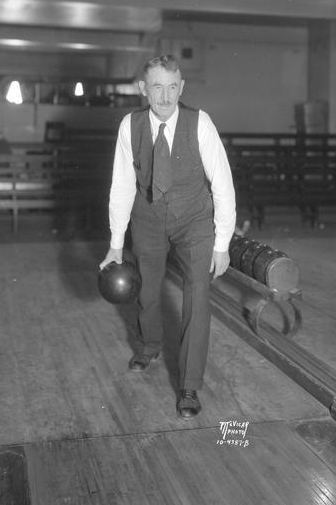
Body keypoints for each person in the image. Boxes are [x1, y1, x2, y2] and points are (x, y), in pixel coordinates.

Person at [100, 54, 236, 419]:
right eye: (157, 87)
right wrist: (116, 243)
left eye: (172, 87)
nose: (165, 96)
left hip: (194, 219)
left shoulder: (200, 123)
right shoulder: (130, 126)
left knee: (198, 296)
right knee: (147, 290)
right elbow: (122, 185)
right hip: (147, 218)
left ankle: (189, 384)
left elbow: (223, 184)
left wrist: (221, 243)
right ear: (143, 88)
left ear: (182, 87)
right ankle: (149, 345)